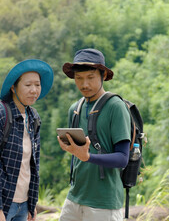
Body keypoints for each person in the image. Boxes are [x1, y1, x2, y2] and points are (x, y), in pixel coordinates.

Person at [57, 48, 131, 221]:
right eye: (79, 78)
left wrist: (88, 157)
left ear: (103, 75)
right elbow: (78, 156)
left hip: (104, 203)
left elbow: (122, 158)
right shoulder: (74, 109)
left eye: (90, 77)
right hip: (74, 197)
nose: (84, 84)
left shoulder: (115, 107)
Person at [0, 59, 54, 221]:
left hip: (23, 205)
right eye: (28, 85)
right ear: (13, 87)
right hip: (1, 205)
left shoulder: (33, 117)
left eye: (37, 85)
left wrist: (32, 203)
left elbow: (33, 165)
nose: (34, 90)